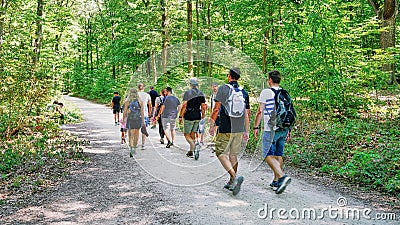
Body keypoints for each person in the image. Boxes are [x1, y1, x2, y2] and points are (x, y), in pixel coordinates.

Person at [209, 67, 250, 196]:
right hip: (239, 128)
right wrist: (246, 131)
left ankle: (234, 177)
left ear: (229, 76)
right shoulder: (244, 92)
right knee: (233, 155)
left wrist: (211, 124)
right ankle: (232, 181)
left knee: (220, 152)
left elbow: (216, 109)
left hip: (226, 127)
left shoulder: (223, 89)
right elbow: (247, 114)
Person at [253, 70, 292, 194]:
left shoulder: (266, 92)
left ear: (270, 80)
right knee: (278, 154)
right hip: (284, 128)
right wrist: (289, 129)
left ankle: (281, 176)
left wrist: (256, 127)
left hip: (271, 128)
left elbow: (260, 111)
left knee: (267, 154)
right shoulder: (284, 93)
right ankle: (276, 182)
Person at [178, 77, 206, 158]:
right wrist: (203, 116)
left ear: (190, 84)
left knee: (186, 134)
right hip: (197, 115)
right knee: (193, 133)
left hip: (189, 115)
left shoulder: (188, 93)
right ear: (197, 84)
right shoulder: (201, 93)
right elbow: (203, 106)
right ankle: (191, 151)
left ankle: (194, 146)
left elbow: (184, 105)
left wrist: (180, 116)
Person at [123, 88, 145, 157]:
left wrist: (123, 119)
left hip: (130, 119)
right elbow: (142, 112)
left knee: (130, 134)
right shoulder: (140, 101)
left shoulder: (127, 101)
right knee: (137, 133)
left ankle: (132, 147)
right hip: (138, 119)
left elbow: (125, 111)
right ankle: (135, 147)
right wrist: (143, 121)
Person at [138, 83, 152, 149]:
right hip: (145, 114)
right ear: (143, 88)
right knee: (144, 129)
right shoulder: (147, 95)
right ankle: (143, 144)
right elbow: (150, 105)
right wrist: (149, 113)